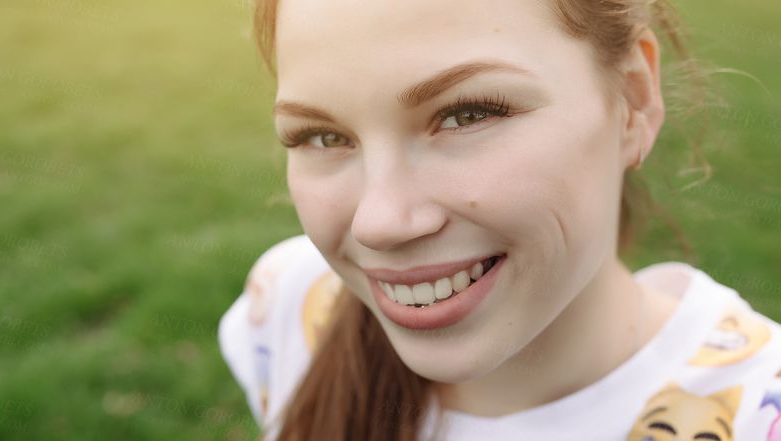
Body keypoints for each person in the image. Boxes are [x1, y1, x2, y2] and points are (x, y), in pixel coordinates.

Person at [218, 0, 781, 439]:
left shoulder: (754, 414)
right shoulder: (292, 310)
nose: (380, 222)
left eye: (467, 114)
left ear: (633, 99)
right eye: (322, 136)